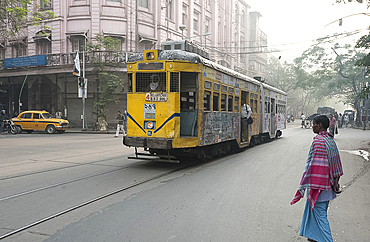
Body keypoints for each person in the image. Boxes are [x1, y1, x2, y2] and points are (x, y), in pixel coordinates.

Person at [291, 115, 343, 242]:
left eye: (314, 124)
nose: (312, 126)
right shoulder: (330, 140)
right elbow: (335, 162)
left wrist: (309, 184)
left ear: (319, 125)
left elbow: (315, 166)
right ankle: (314, 236)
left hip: (319, 186)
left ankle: (326, 239)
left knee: (320, 215)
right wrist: (336, 181)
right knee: (316, 212)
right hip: (328, 186)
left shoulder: (318, 141)